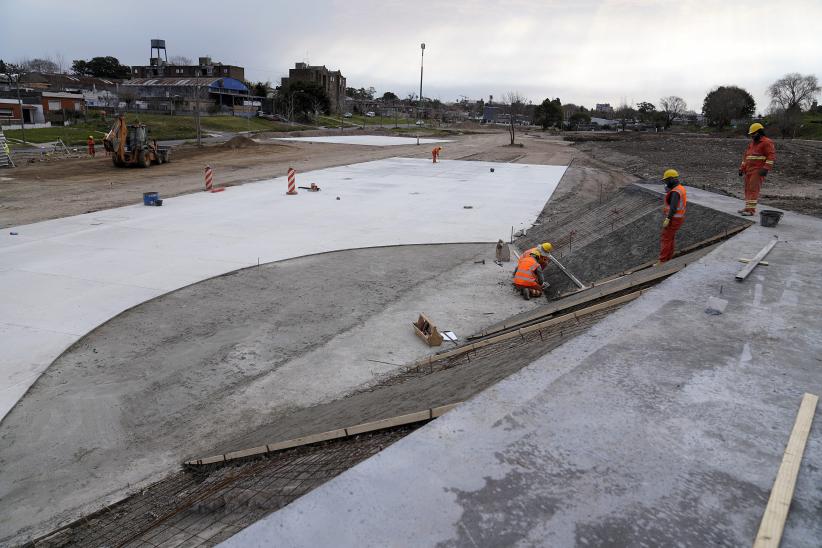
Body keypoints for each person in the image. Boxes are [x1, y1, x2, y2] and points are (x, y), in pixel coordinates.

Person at [738, 122, 776, 216]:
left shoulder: (767, 142)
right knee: (747, 189)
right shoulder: (752, 144)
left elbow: (771, 157)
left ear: (759, 132)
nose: (751, 136)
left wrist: (766, 168)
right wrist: (742, 168)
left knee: (753, 189)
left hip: (758, 170)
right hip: (749, 170)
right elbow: (746, 157)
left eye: (753, 134)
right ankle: (747, 208)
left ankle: (751, 210)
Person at [659, 169, 687, 263]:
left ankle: (662, 260)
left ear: (671, 179)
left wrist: (668, 219)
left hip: (673, 219)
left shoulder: (675, 192)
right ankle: (668, 258)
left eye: (666, 180)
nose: (666, 183)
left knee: (665, 238)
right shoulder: (680, 188)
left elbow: (673, 208)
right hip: (678, 218)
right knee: (670, 238)